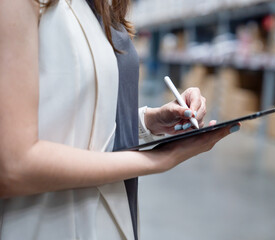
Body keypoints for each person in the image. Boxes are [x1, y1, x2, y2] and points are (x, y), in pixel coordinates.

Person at [0, 0, 240, 239]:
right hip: (45, 222)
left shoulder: (100, 6)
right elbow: (13, 167)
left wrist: (148, 123)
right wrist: (162, 159)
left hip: (111, 215)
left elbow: (81, 119)